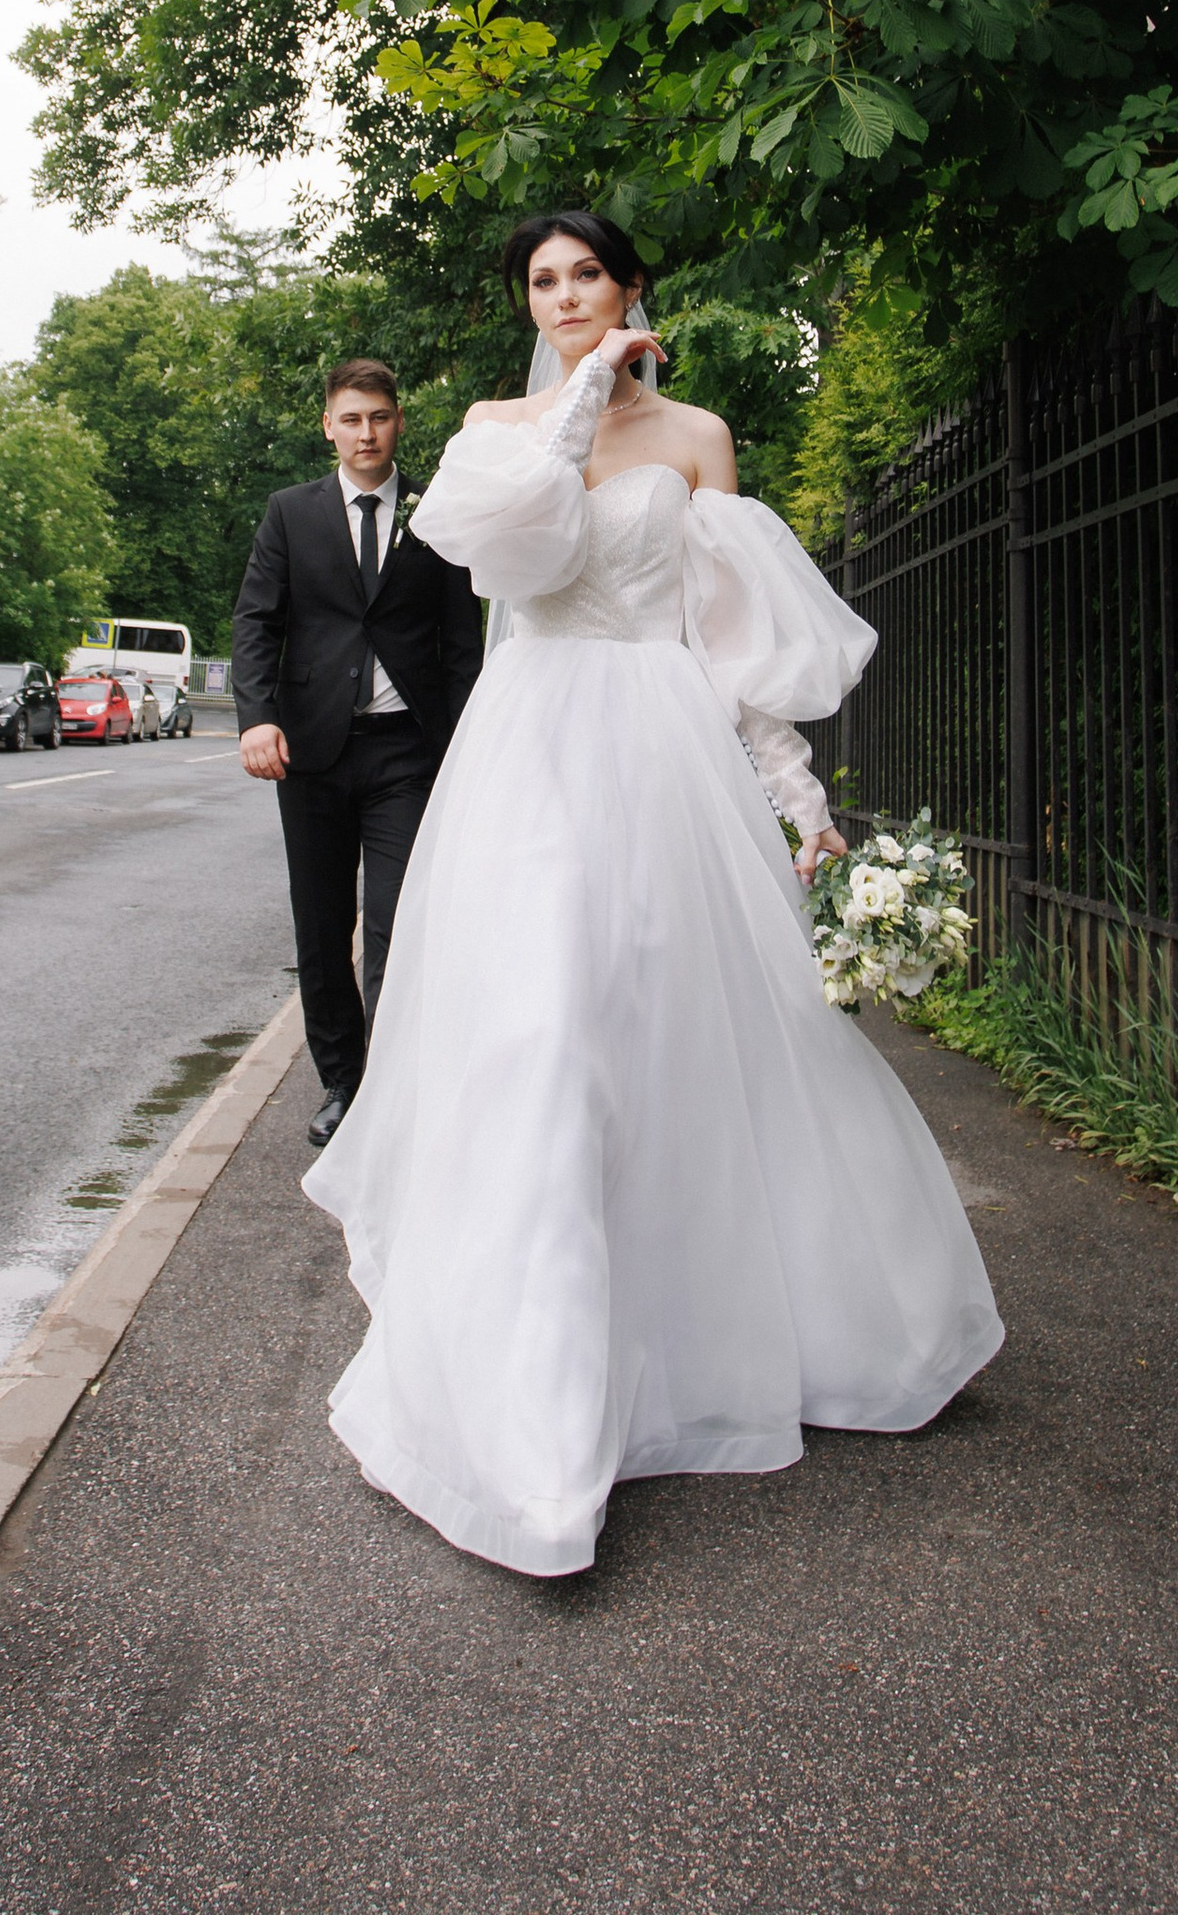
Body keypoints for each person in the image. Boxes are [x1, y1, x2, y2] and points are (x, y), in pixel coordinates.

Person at [305, 212, 1002, 1578]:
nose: (564, 296)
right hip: (531, 759)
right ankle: (537, 1418)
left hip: (666, 753)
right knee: (546, 1044)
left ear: (633, 289)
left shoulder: (699, 438)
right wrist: (574, 401)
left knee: (691, 1048)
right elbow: (511, 559)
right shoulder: (497, 427)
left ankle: (719, 1336)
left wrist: (805, 812)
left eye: (586, 277)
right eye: (543, 281)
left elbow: (726, 641)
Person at [233, 356, 486, 1150]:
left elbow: (459, 644)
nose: (365, 432)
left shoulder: (435, 514)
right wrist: (256, 716)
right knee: (321, 926)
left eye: (378, 416)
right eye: (351, 418)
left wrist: (463, 748)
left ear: (398, 420)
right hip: (309, 753)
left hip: (406, 754)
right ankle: (343, 1081)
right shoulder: (290, 513)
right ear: (328, 425)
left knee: (395, 923)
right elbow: (256, 622)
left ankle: (393, 1087)